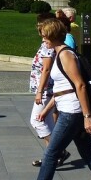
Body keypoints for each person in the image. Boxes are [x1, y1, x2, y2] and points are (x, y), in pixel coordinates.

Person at [8, 18, 91, 180]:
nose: (43, 40)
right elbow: (61, 89)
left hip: (72, 112)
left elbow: (80, 85)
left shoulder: (66, 55)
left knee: (51, 153)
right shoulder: (59, 53)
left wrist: (87, 116)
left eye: (44, 36)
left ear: (53, 36)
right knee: (88, 153)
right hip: (69, 108)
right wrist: (47, 109)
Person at [30, 13, 71, 167]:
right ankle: (50, 157)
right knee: (48, 123)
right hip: (47, 89)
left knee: (37, 120)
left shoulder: (49, 47)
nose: (41, 34)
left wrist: (40, 91)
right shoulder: (47, 44)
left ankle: (58, 151)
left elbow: (46, 69)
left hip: (47, 89)